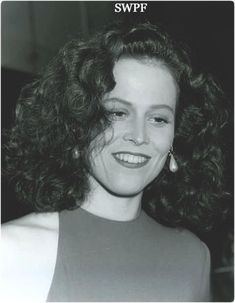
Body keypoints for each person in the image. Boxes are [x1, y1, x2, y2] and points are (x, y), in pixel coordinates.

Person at [2, 21, 228, 302]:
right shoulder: (12, 252)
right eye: (117, 113)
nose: (138, 136)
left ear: (176, 136)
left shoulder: (194, 258)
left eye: (158, 118)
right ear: (78, 123)